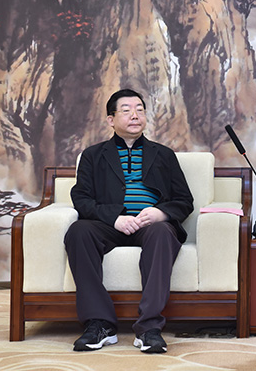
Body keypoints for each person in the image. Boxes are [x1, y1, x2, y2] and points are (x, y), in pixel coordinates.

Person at [64, 89, 194, 354]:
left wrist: (160, 213)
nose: (135, 115)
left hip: (151, 226)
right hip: (110, 226)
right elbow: (81, 198)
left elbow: (184, 200)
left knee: (162, 232)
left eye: (140, 110)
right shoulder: (93, 155)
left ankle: (149, 328)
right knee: (78, 231)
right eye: (126, 110)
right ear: (111, 120)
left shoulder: (164, 154)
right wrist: (114, 219)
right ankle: (99, 324)